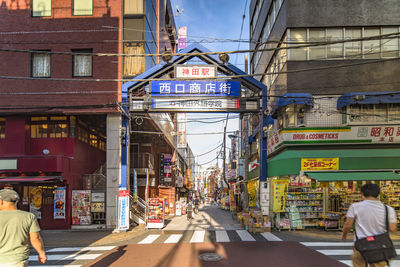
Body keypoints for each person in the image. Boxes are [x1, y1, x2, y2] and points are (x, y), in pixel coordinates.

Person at [342, 183, 397, 267]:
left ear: (362, 194)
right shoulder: (389, 209)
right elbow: (392, 229)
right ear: (378, 194)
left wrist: (344, 236)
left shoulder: (355, 207)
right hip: (380, 245)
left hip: (360, 244)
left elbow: (348, 225)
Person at [0, 189, 47, 266]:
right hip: (18, 259)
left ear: (1, 201)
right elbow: (35, 238)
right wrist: (41, 253)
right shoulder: (28, 216)